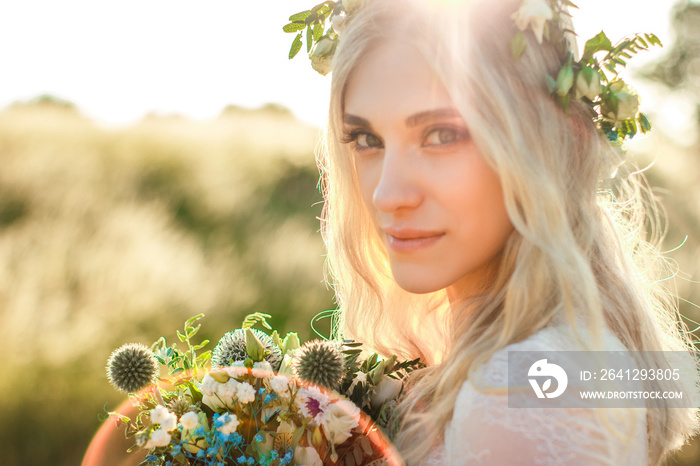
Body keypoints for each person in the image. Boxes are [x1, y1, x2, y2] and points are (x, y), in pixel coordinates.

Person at [309, 0, 700, 463]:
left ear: (544, 143)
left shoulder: (527, 385)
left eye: (441, 135)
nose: (387, 194)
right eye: (367, 140)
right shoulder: (517, 358)